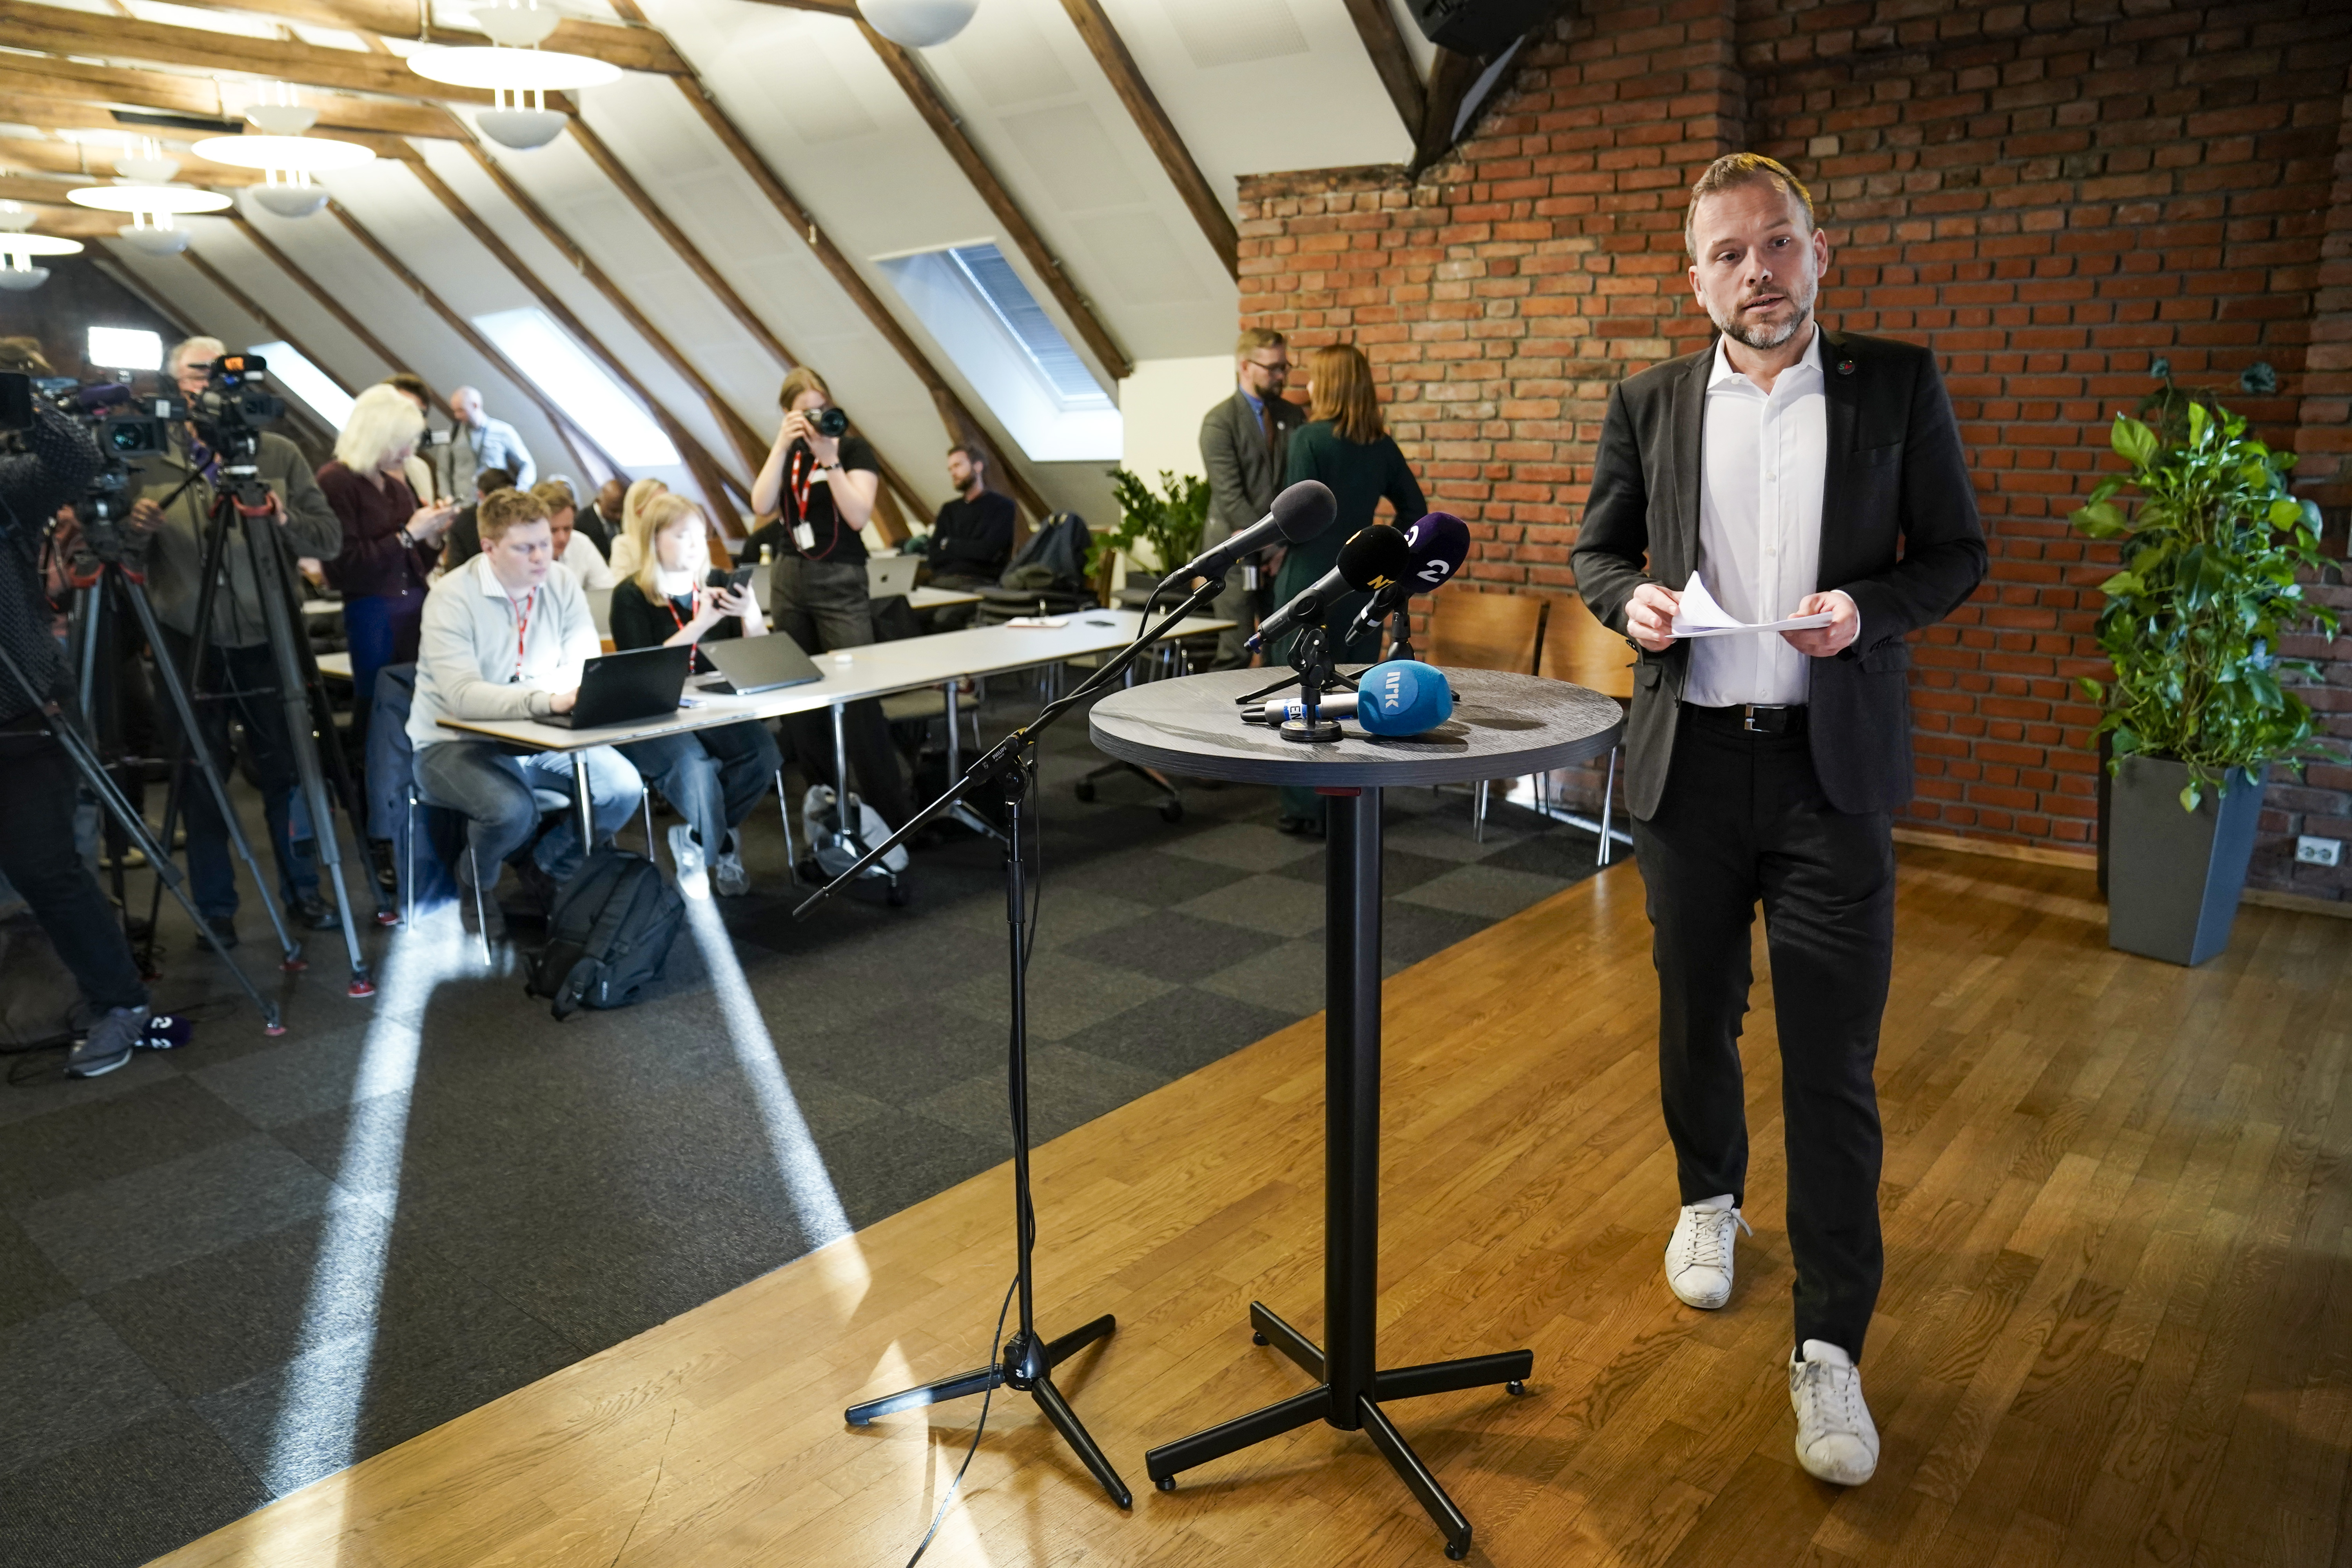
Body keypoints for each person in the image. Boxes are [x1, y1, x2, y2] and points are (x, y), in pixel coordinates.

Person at [1570, 153, 1988, 1488]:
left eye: (1779, 245)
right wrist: (1624, 602)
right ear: (1696, 280)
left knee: (1832, 1064)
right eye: (1730, 254)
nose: (1759, 272)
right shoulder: (1648, 401)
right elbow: (1600, 549)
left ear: (1819, 251)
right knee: (1695, 1013)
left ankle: (1831, 1350)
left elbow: (1956, 554)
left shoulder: (1897, 385)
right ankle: (1709, 1202)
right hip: (1688, 769)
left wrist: (1867, 612)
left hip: (1831, 774)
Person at [127, 335, 346, 942]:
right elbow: (117, 557)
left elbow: (327, 540)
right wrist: (136, 527)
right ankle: (215, 910)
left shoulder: (277, 450)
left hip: (267, 633)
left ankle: (306, 891)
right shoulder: (147, 458)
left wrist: (280, 514)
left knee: (290, 770)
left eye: (222, 372)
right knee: (200, 775)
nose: (210, 383)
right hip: (186, 639)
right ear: (176, 383)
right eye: (197, 373)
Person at [0, 398, 154, 1078]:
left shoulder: (6, 484)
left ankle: (120, 1002)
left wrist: (18, 398)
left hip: (24, 710)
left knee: (47, 872)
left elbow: (75, 458)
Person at [408, 486, 641, 913]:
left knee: (623, 789)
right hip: (452, 744)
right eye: (526, 548)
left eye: (545, 544)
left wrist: (540, 698)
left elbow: (584, 669)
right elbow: (463, 698)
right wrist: (546, 698)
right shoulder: (451, 597)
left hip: (538, 736)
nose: (542, 557)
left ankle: (546, 865)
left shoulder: (561, 582)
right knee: (511, 811)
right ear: (489, 548)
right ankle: (476, 882)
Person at [746, 368, 911, 829]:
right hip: (788, 576)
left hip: (841, 576)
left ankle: (891, 816)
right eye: (804, 412)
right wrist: (782, 445)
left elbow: (858, 516)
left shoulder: (852, 448)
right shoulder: (787, 452)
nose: (815, 418)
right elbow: (761, 504)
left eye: (822, 408)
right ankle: (826, 808)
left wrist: (830, 459)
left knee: (859, 696)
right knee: (801, 695)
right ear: (787, 414)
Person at [1273, 342, 1424, 835]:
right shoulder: (1381, 444)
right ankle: (1349, 800)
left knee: (1302, 687)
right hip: (1362, 583)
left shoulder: (1307, 439)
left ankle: (1304, 806)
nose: (1309, 386)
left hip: (1309, 582)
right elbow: (1416, 512)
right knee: (1354, 689)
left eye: (1316, 378)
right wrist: (1383, 551)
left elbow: (1297, 522)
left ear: (1331, 385)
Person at [606, 493, 780, 895]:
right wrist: (701, 624)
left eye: (701, 536)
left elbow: (759, 656)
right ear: (654, 540)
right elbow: (644, 672)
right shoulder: (630, 595)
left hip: (710, 705)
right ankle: (720, 844)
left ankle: (700, 841)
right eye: (683, 536)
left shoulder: (715, 586)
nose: (696, 545)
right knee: (696, 767)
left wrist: (751, 613)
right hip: (654, 711)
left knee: (763, 754)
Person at [319, 385, 459, 728]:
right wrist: (409, 534)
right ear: (376, 435)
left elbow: (417, 565)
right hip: (373, 614)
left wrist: (434, 533)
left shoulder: (397, 487)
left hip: (414, 609)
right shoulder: (336, 482)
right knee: (380, 710)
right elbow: (344, 565)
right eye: (402, 441)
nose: (410, 452)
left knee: (420, 707)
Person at [1200, 328, 1307, 669]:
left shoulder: (1293, 417)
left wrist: (1282, 547)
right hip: (1233, 556)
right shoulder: (1219, 422)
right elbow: (1230, 497)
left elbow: (1298, 485)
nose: (1281, 375)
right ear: (1245, 366)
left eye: (1284, 366)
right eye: (1272, 368)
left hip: (1280, 554)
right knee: (1236, 652)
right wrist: (1269, 544)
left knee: (1283, 649)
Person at [926, 442, 1016, 588]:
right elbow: (934, 556)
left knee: (944, 611)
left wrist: (949, 544)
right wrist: (969, 549)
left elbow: (988, 553)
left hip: (980, 583)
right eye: (951, 469)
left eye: (958, 466)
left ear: (978, 466)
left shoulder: (1002, 507)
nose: (953, 473)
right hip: (944, 580)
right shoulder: (949, 510)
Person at [434, 385, 535, 502]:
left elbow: (528, 465)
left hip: (495, 504)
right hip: (463, 506)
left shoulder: (503, 432)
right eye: (455, 411)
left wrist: (520, 491)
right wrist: (447, 498)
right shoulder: (452, 434)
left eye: (461, 410)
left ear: (475, 405)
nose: (457, 416)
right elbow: (443, 470)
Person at [436, 466, 515, 570]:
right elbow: (456, 568)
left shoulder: (517, 518)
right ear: (481, 495)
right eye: (500, 500)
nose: (506, 506)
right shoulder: (463, 522)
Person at [539, 479, 614, 589]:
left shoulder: (581, 544)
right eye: (553, 530)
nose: (562, 538)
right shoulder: (520, 554)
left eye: (567, 529)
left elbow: (607, 590)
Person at [381, 373, 440, 504]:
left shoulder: (420, 469)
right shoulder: (355, 469)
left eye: (420, 414)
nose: (412, 420)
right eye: (405, 410)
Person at [603, 477, 668, 580]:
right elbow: (619, 585)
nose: (667, 510)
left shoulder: (673, 540)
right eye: (659, 504)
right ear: (639, 509)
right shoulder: (623, 544)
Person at [577, 475, 626, 556]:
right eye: (614, 511)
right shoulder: (581, 522)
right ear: (599, 501)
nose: (619, 516)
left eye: (622, 510)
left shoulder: (626, 520)